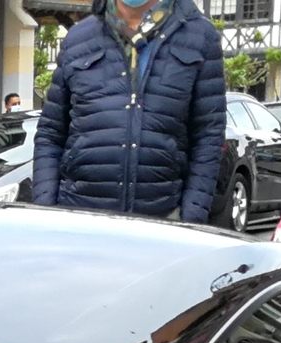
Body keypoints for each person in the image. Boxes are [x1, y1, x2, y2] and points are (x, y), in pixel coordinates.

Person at [31, 0, 224, 222]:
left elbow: (208, 138)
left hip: (162, 222)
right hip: (78, 221)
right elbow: (50, 134)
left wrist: (190, 219)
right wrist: (46, 211)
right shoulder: (78, 38)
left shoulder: (200, 37)